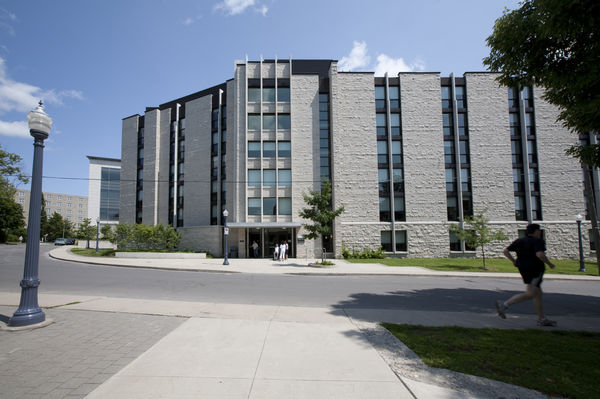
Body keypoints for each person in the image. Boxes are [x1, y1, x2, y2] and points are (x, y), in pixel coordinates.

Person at [496, 223, 557, 327]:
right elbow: (540, 254)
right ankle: (504, 305)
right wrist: (550, 264)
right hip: (535, 270)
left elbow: (505, 251)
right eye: (539, 230)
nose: (540, 232)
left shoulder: (520, 241)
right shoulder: (538, 241)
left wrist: (514, 261)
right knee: (531, 293)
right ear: (536, 231)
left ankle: (541, 319)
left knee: (537, 294)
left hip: (523, 269)